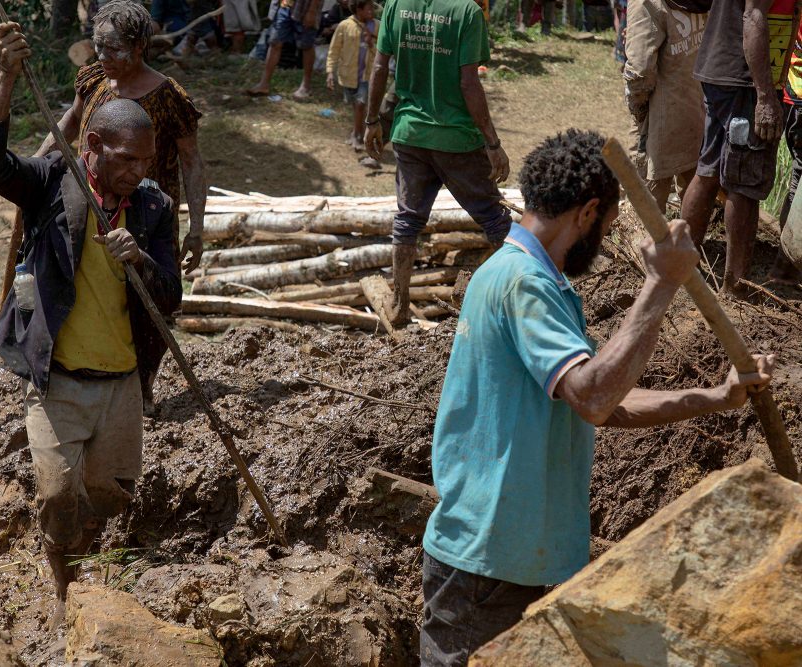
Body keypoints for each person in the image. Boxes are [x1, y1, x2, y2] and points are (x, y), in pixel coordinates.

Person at [421, 130, 776, 666]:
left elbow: (604, 403)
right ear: (588, 212)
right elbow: (593, 397)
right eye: (608, 225)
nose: (606, 241)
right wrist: (660, 285)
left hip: (520, 562)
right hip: (489, 566)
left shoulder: (535, 280)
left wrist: (714, 397)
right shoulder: (523, 283)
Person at [0, 22, 182, 629]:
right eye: (124, 160)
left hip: (121, 384)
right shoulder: (52, 185)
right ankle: (61, 580)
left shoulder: (150, 208)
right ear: (90, 144)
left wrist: (141, 258)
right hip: (57, 379)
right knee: (60, 496)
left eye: (145, 162)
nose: (136, 172)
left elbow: (170, 300)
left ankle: (88, 570)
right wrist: (6, 78)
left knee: (110, 494)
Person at [39, 0, 205, 411]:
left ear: (140, 46)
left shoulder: (169, 98)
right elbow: (70, 125)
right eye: (99, 47)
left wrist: (198, 229)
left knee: (146, 306)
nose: (104, 58)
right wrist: (37, 170)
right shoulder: (94, 79)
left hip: (146, 221)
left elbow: (192, 162)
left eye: (114, 49)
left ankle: (141, 381)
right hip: (87, 209)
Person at [364, 0, 514, 326]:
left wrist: (372, 120)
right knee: (494, 219)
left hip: (409, 134)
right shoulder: (466, 12)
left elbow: (378, 68)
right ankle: (521, 299)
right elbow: (468, 82)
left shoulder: (396, 6)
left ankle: (399, 304)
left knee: (408, 220)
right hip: (456, 138)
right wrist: (492, 142)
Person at [679, 0, 793, 295]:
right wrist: (766, 96)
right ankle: (735, 288)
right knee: (744, 183)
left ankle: (679, 266)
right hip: (744, 81)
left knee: (710, 169)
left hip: (724, 72)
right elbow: (753, 15)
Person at [624, 0, 708, 212]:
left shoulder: (645, 2)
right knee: (693, 194)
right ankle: (690, 243)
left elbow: (639, 72)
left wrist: (638, 113)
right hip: (699, 109)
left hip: (659, 118)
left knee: (646, 210)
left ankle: (654, 244)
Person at [771, 20, 802, 284]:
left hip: (794, 95)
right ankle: (785, 267)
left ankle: (786, 265)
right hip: (799, 98)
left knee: (797, 180)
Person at [326, 0, 378, 157]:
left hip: (367, 75)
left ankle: (357, 136)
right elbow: (334, 50)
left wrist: (371, 44)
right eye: (368, 9)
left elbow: (382, 52)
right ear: (359, 9)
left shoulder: (377, 26)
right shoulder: (345, 25)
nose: (372, 12)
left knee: (361, 104)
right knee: (355, 106)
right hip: (348, 75)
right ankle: (356, 131)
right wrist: (330, 72)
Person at [245, 0, 321, 99]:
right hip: (284, 6)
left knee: (306, 45)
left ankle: (306, 86)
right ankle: (264, 84)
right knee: (275, 42)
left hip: (304, 8)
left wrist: (312, 11)